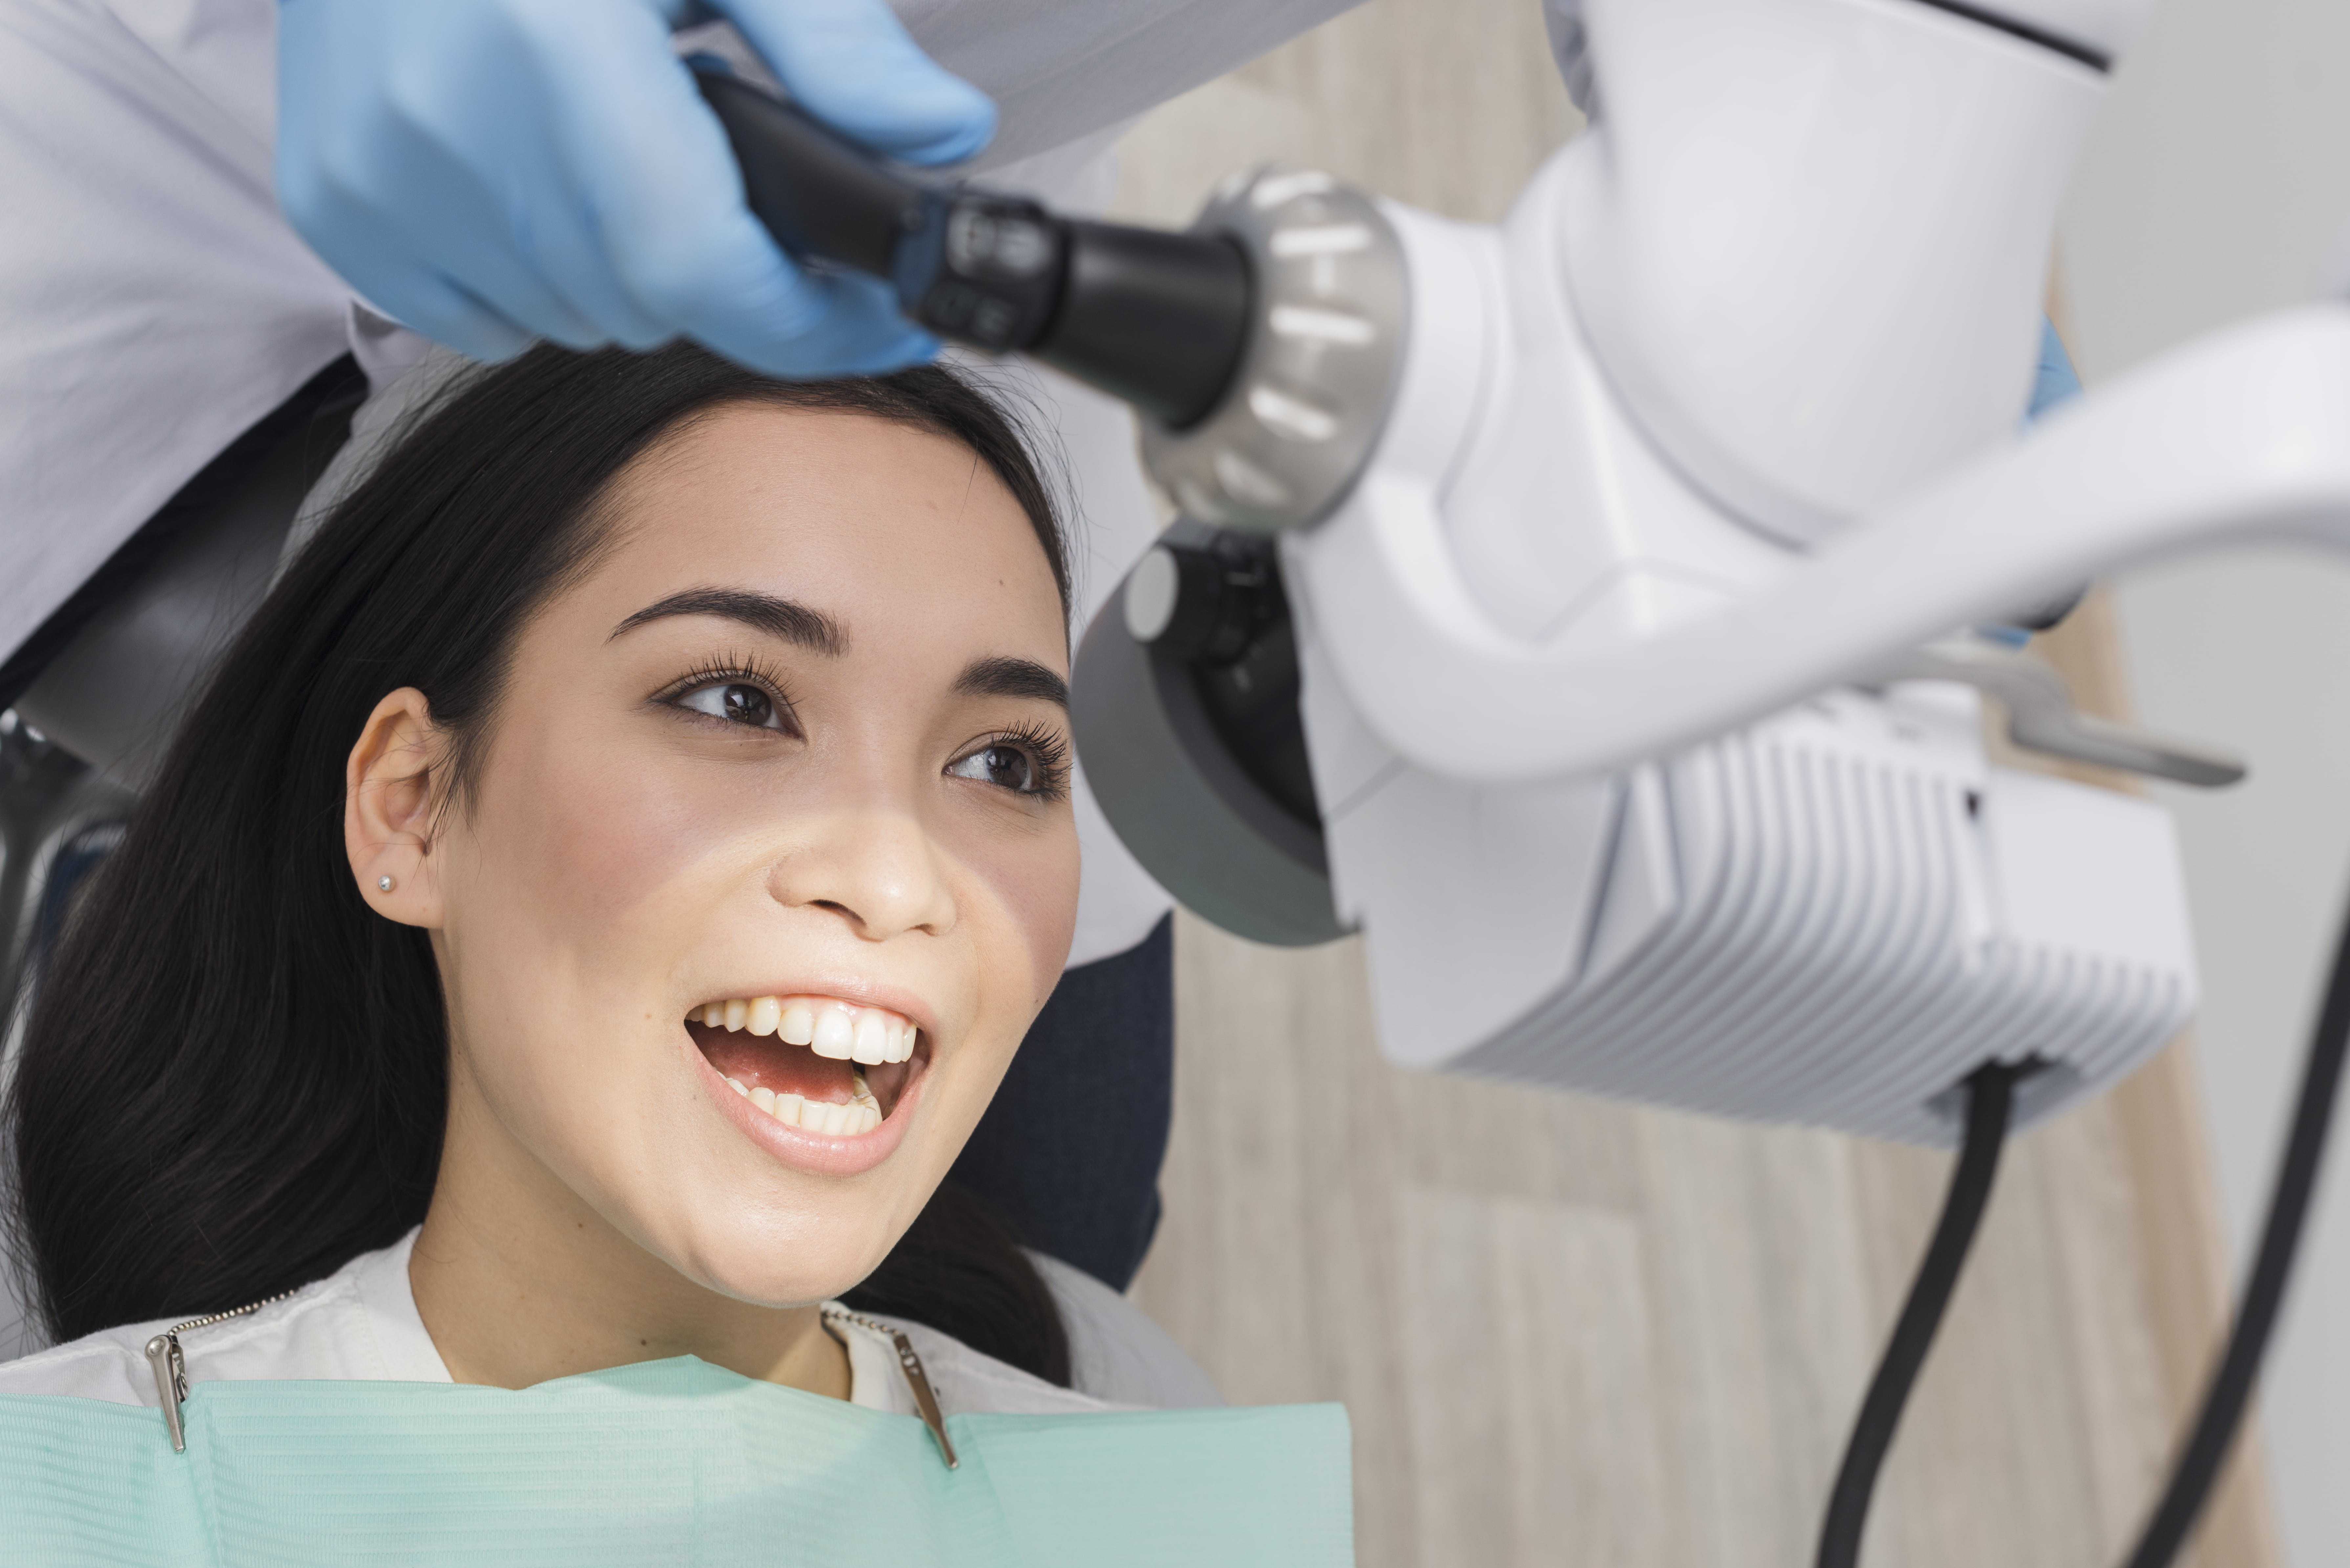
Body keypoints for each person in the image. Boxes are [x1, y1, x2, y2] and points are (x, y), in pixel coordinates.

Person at [0, 342, 1219, 1426]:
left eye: (1005, 761)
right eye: (737, 702)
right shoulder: (66, 1485)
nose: (897, 879)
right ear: (414, 805)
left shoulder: (1155, 1474)